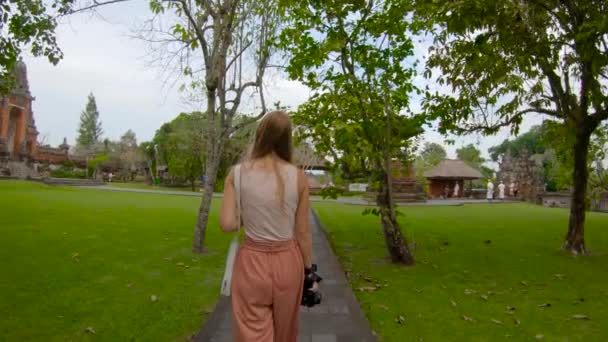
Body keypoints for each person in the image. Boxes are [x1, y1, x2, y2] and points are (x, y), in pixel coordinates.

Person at [219, 111, 318, 342]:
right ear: (287, 139)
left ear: (260, 134)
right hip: (288, 263)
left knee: (252, 333)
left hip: (252, 263)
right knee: (285, 333)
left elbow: (227, 224)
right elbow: (303, 232)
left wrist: (247, 213)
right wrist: (309, 272)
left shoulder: (237, 174)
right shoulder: (299, 177)